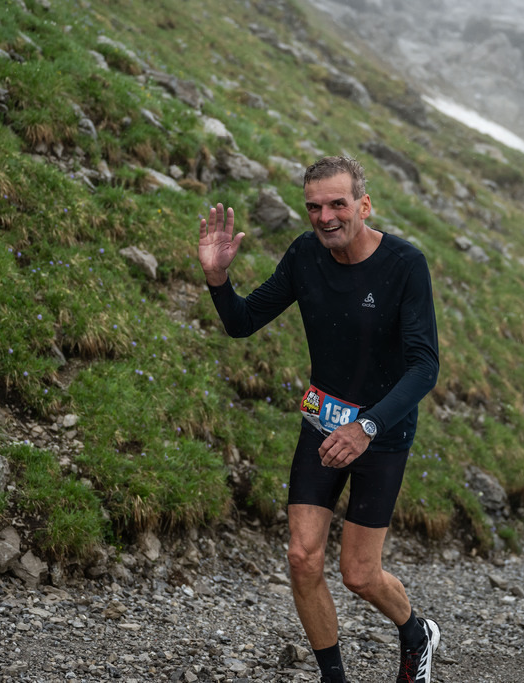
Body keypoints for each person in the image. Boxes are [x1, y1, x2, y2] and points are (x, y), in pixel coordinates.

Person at [197, 155, 441, 683]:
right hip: (323, 422)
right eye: (314, 206)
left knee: (359, 574)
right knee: (302, 557)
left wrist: (367, 426)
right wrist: (218, 278)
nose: (325, 217)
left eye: (337, 204)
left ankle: (416, 630)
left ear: (363, 204)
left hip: (383, 431)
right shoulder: (306, 255)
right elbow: (243, 323)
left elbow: (425, 367)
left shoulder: (404, 265)